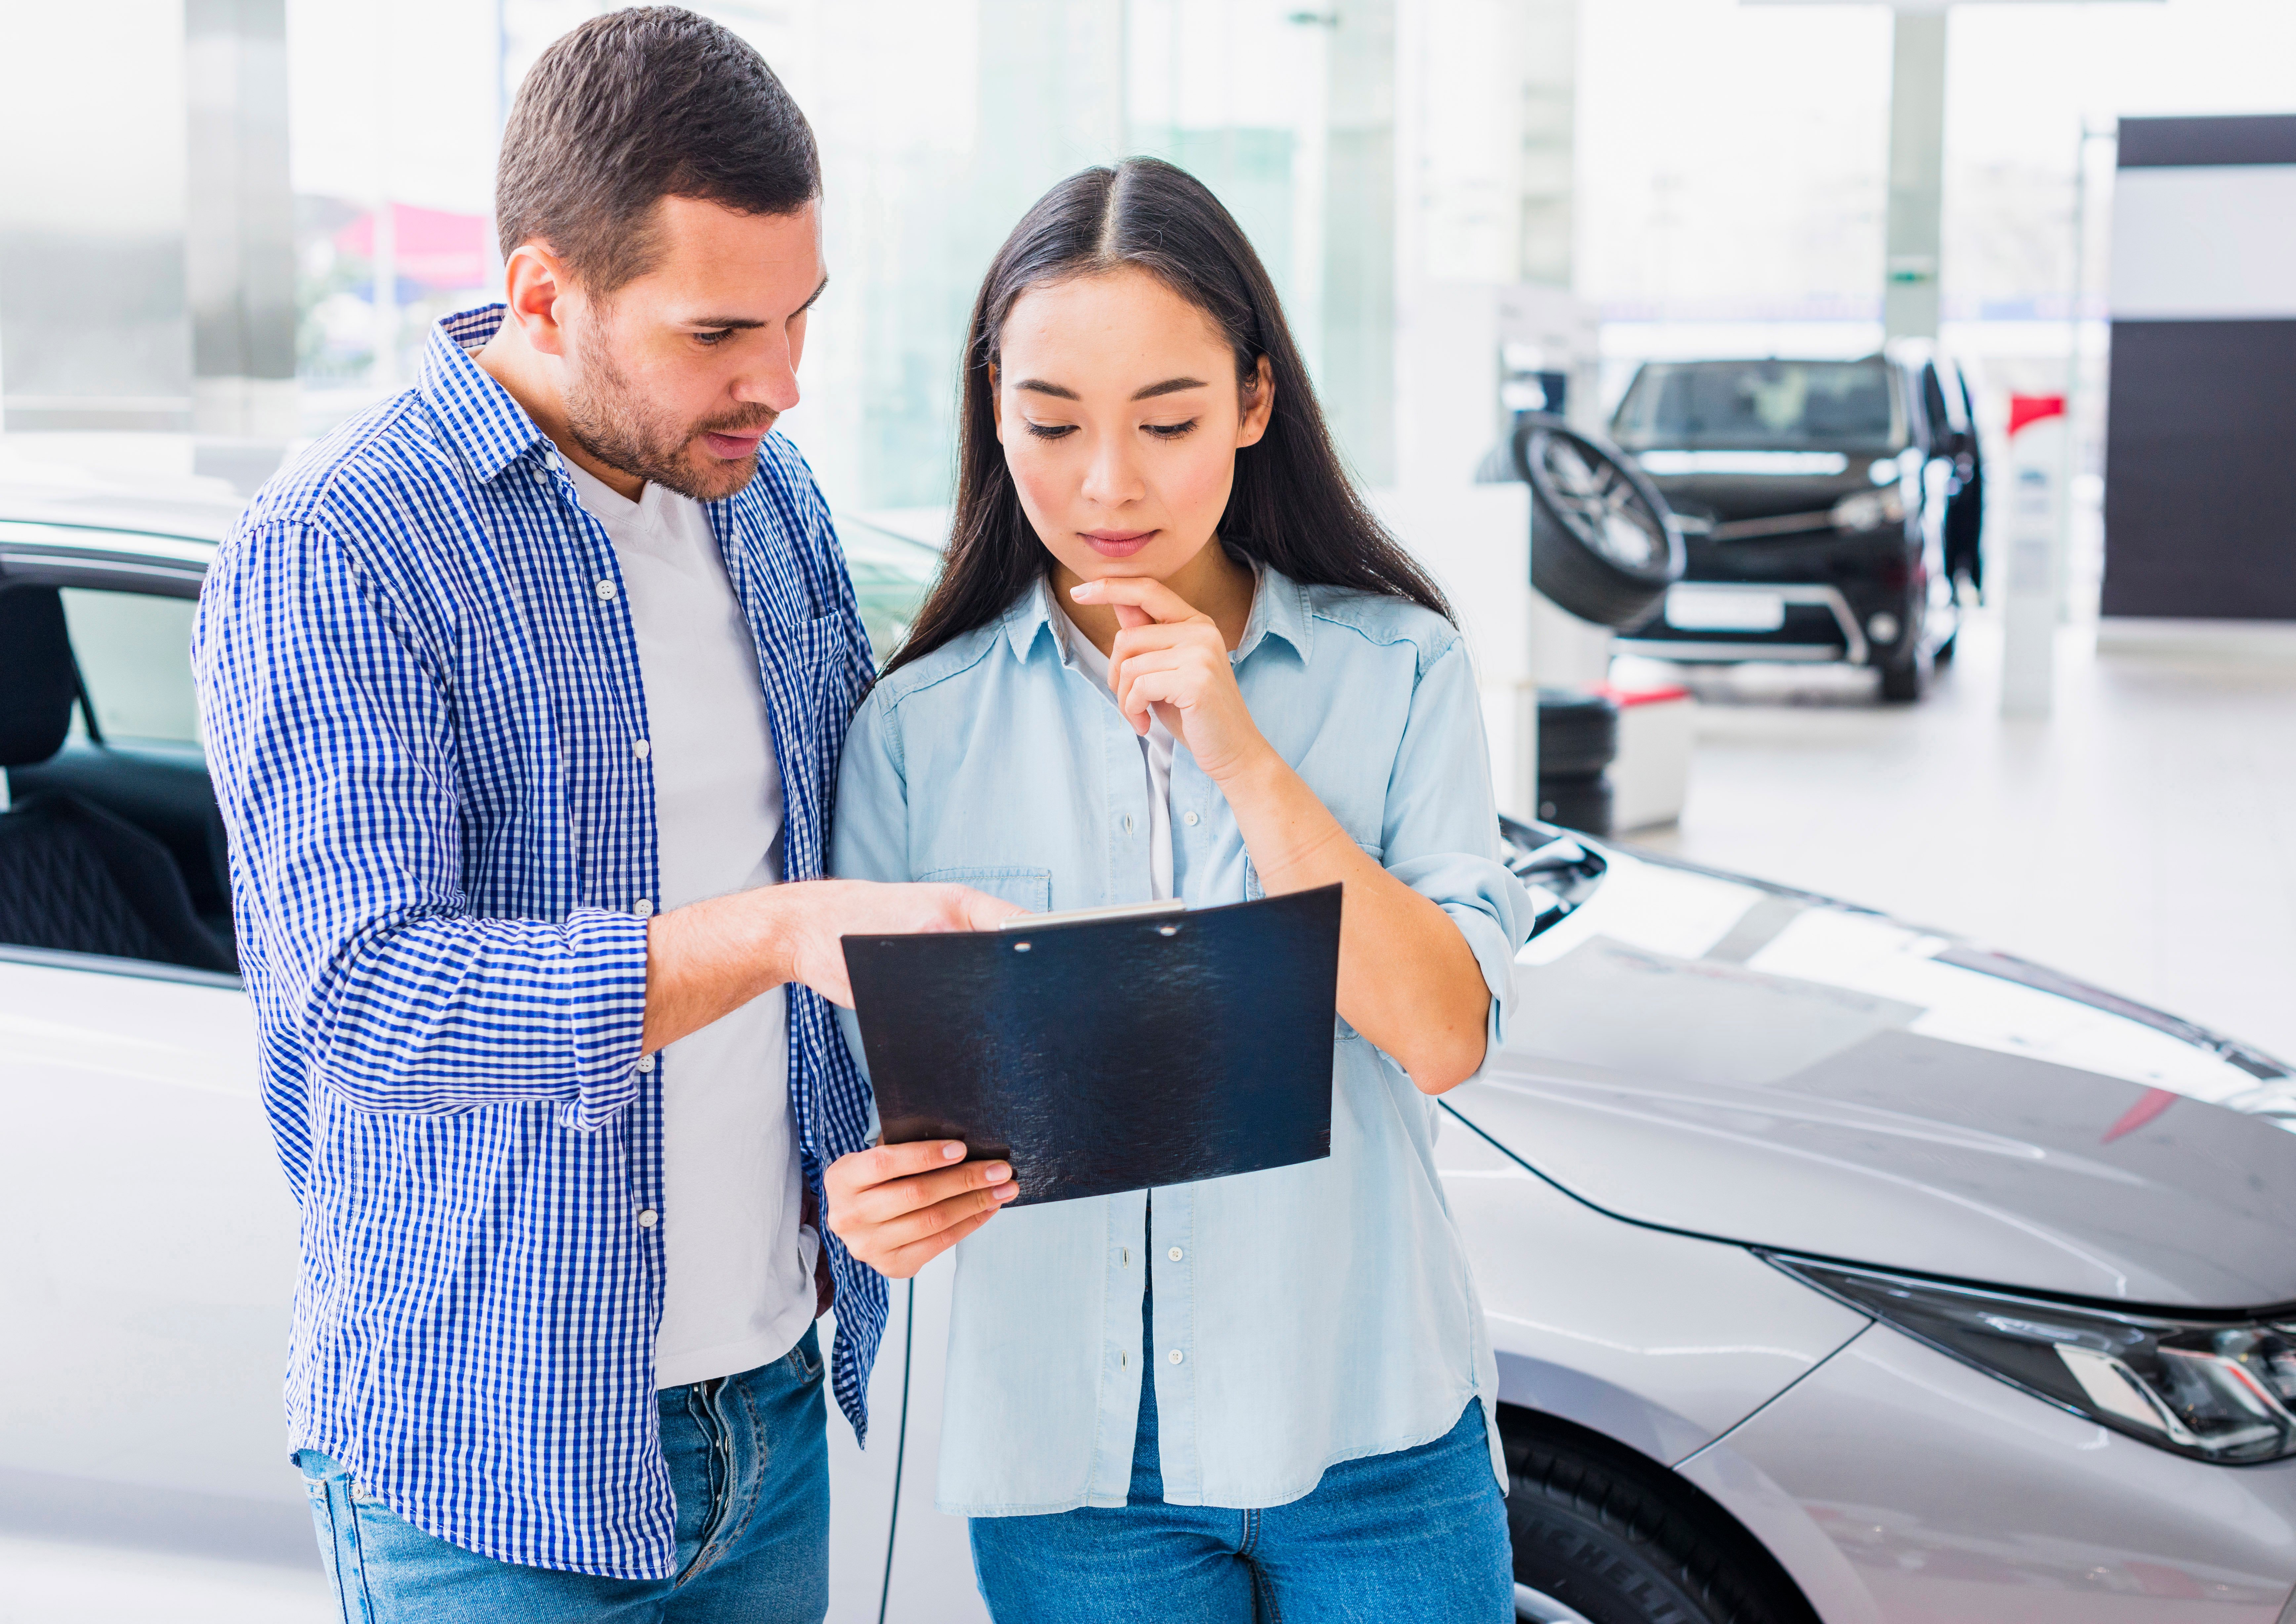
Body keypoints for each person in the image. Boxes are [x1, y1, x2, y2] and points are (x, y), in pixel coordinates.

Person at [192, 10, 1018, 1618]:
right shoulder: (339, 546)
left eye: (799, 319)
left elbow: (839, 868)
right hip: (489, 1463)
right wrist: (775, 938)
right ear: (547, 293)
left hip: (767, 1410)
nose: (778, 381)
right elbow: (370, 997)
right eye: (720, 332)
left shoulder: (762, 492)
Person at [821, 158, 1532, 1622]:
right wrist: (874, 1207)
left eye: (1166, 421)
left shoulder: (1398, 671)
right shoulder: (912, 734)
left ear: (1254, 404)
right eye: (1052, 423)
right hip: (1073, 1475)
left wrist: (1240, 752)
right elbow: (883, 1116)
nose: (1107, 484)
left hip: (1372, 1433)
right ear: (992, 412)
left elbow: (1444, 1033)